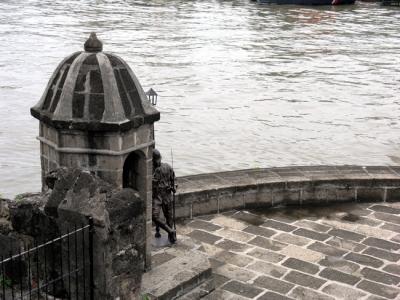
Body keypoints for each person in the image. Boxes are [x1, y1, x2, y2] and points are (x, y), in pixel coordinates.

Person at [152, 149, 177, 244]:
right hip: (157, 197)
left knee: (169, 216)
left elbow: (174, 179)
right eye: (155, 160)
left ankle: (172, 236)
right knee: (154, 216)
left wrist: (174, 187)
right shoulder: (150, 170)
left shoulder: (167, 167)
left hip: (166, 195)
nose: (157, 161)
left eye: (158, 159)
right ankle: (169, 230)